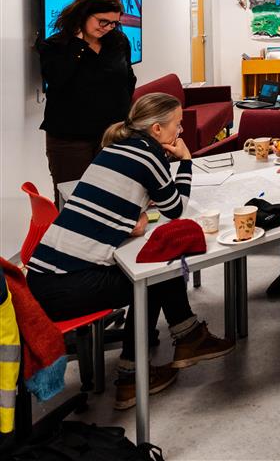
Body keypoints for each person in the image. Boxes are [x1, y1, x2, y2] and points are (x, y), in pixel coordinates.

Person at [26, 93, 234, 410]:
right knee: (151, 275)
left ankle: (184, 340)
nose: (180, 132)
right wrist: (186, 161)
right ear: (156, 130)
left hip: (44, 277)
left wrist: (127, 222)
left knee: (154, 261)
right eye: (177, 125)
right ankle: (134, 377)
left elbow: (114, 202)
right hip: (65, 285)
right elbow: (176, 209)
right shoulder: (150, 156)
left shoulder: (115, 149)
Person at [37, 0, 137, 202]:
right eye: (103, 21)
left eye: (113, 23)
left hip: (113, 134)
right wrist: (78, 44)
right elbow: (58, 79)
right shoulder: (56, 46)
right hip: (70, 139)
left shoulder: (118, 41)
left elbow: (128, 78)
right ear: (83, 14)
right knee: (75, 201)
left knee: (113, 197)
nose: (108, 27)